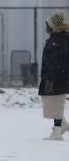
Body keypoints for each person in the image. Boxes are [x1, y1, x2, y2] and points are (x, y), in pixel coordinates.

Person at [38, 11, 69, 140]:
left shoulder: (62, 40)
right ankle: (62, 124)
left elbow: (61, 59)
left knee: (56, 101)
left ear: (54, 27)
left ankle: (57, 130)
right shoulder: (54, 39)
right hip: (50, 75)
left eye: (48, 25)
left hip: (58, 76)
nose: (46, 27)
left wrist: (55, 74)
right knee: (49, 100)